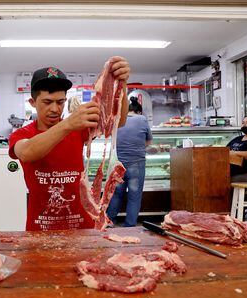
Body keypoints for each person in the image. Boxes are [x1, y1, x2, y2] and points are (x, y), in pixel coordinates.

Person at [8, 57, 130, 231]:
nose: (55, 109)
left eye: (60, 102)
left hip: (82, 225)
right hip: (40, 228)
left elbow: (119, 120)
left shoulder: (78, 127)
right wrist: (68, 124)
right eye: (47, 102)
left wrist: (122, 84)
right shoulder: (23, 134)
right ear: (33, 103)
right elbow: (27, 153)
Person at [106, 96, 152, 227]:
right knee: (134, 196)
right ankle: (130, 224)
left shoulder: (118, 120)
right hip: (136, 164)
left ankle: (110, 221)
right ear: (139, 111)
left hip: (118, 163)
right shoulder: (142, 119)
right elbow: (148, 142)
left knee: (116, 194)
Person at [227, 115, 247, 182]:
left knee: (224, 179)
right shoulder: (237, 139)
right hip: (231, 170)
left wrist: (236, 153)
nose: (244, 125)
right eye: (243, 123)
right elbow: (225, 150)